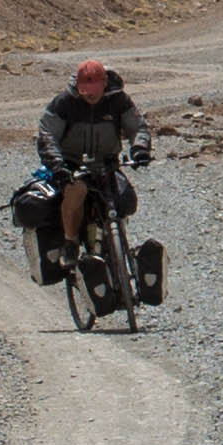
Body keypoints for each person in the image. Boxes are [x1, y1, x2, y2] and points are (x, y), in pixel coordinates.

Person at [31, 59, 150, 289]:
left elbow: (137, 126)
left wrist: (140, 149)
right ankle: (70, 242)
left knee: (121, 199)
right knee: (77, 190)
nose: (90, 97)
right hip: (72, 164)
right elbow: (47, 135)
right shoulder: (63, 103)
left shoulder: (118, 99)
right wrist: (58, 166)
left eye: (94, 92)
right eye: (85, 92)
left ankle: (114, 244)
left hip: (107, 163)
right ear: (78, 87)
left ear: (104, 85)